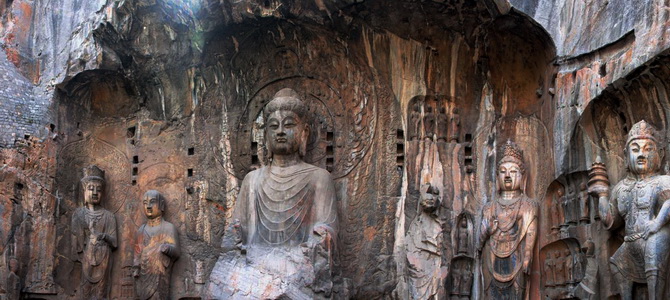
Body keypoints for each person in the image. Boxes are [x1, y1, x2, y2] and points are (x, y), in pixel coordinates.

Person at [206, 88, 339, 299]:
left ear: (304, 132)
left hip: (298, 266)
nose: (280, 132)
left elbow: (325, 234)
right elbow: (238, 234)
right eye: (273, 126)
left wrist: (300, 256)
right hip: (254, 267)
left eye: (288, 125)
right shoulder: (253, 180)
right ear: (265, 135)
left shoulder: (319, 178)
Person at [588, 120, 670, 300]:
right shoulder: (621, 188)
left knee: (654, 255)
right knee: (617, 264)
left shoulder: (663, 181)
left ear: (660, 154)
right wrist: (602, 194)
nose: (641, 154)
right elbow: (610, 221)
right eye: (635, 150)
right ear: (626, 156)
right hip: (631, 240)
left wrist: (657, 223)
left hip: (654, 238)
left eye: (648, 149)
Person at [478, 140, 538, 299]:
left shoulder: (528, 205)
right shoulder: (489, 207)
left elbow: (530, 232)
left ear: (522, 177)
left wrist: (527, 256)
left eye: (513, 171)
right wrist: (487, 231)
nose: (507, 175)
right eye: (503, 171)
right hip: (491, 257)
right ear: (497, 177)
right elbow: (479, 242)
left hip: (516, 258)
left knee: (517, 292)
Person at [71, 165, 117, 299]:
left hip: (104, 257)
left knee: (102, 292)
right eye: (91, 188)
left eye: (99, 189)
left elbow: (114, 242)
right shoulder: (78, 215)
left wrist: (103, 236)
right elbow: (76, 244)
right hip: (87, 257)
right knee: (85, 290)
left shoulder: (109, 216)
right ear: (84, 191)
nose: (95, 192)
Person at [133, 190, 180, 300]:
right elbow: (137, 254)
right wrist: (136, 268)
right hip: (142, 276)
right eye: (145, 203)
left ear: (161, 205)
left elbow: (177, 252)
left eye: (152, 202)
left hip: (160, 275)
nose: (148, 206)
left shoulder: (168, 227)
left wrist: (165, 248)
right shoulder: (141, 230)